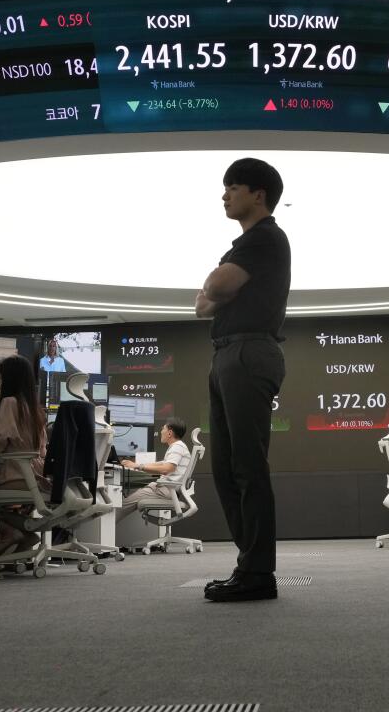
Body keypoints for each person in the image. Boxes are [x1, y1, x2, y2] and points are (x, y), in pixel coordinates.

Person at [196, 157, 290, 602]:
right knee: (225, 469)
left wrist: (220, 286)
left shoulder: (265, 238)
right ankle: (248, 563)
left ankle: (257, 574)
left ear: (259, 194)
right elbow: (204, 304)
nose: (224, 194)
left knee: (248, 468)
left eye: (233, 187)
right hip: (227, 353)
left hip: (249, 351)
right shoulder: (242, 246)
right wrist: (218, 287)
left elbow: (213, 289)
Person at [0, 354, 50, 556]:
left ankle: (8, 533)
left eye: (1, 377)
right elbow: (42, 450)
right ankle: (25, 534)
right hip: (37, 475)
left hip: (16, 475)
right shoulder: (36, 410)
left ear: (9, 379)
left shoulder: (8, 402)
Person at [116, 417, 191, 523]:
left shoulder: (177, 447)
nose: (161, 432)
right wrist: (137, 464)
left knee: (123, 504)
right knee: (130, 497)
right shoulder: (179, 447)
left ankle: (104, 528)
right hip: (167, 490)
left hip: (165, 490)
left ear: (169, 433)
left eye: (163, 429)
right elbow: (162, 464)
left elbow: (167, 468)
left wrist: (138, 466)